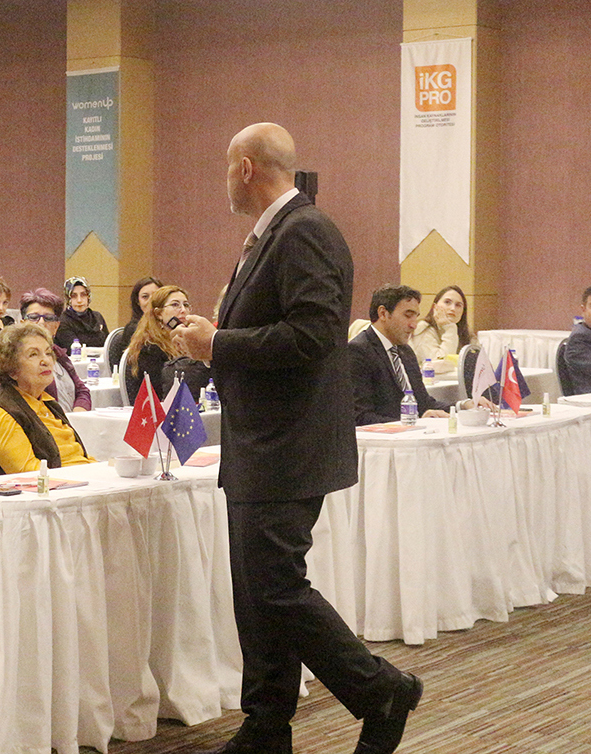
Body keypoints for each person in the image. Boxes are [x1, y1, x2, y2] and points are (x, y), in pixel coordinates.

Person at [173, 123, 421, 754]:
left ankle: (380, 689)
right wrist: (217, 339)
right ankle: (266, 725)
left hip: (286, 444)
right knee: (257, 593)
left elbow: (313, 336)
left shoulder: (304, 231)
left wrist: (217, 342)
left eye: (227, 166)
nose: (226, 179)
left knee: (275, 587)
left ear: (247, 168)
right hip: (264, 442)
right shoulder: (273, 234)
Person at [0, 322, 95, 475]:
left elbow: (80, 457)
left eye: (48, 353)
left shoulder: (48, 403)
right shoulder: (3, 415)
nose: (46, 361)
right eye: (33, 355)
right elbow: (30, 475)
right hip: (58, 485)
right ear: (11, 370)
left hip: (84, 479)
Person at [348, 285, 453, 425]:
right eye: (408, 316)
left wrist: (463, 406)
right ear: (383, 314)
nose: (414, 325)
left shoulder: (405, 351)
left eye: (416, 317)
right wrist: (412, 423)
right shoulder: (358, 351)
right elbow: (361, 417)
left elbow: (424, 403)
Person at [122, 285, 201, 400]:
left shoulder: (190, 339)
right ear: (158, 313)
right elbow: (160, 389)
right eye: (175, 305)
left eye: (186, 305)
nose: (183, 310)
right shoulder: (150, 348)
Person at [19, 288, 92, 411]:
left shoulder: (59, 355)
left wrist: (78, 413)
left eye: (48, 318)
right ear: (22, 323)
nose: (41, 323)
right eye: (34, 317)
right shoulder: (13, 358)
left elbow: (82, 390)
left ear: (56, 326)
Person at [408, 284, 469, 374]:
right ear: (435, 307)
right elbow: (438, 366)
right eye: (447, 302)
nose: (453, 308)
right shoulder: (423, 328)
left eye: (458, 305)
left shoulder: (465, 333)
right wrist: (450, 329)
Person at [55, 276, 108, 352]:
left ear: (88, 296)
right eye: (74, 296)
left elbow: (108, 345)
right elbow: (72, 350)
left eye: (83, 295)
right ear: (68, 299)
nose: (79, 300)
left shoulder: (97, 317)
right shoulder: (63, 321)